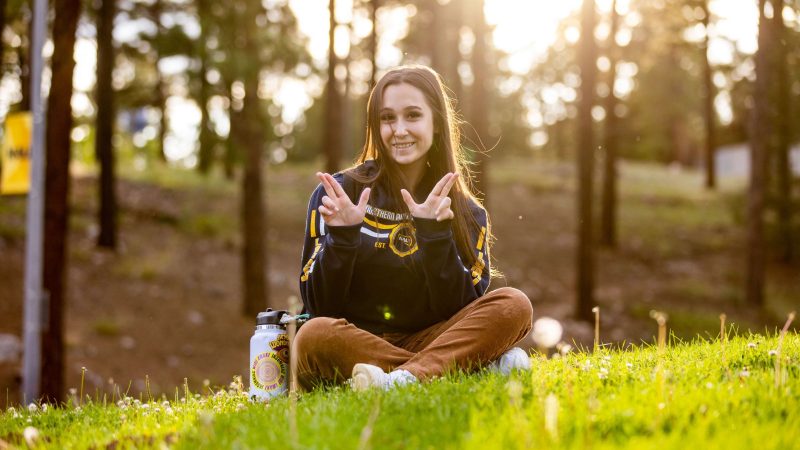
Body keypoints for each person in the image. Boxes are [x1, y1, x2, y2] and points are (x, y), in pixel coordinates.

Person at [294, 65, 532, 391]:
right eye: (388, 118)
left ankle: (401, 380)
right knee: (313, 335)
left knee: (514, 305)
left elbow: (460, 310)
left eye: (413, 115)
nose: (399, 129)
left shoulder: (466, 212)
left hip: (432, 339)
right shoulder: (337, 195)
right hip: (354, 344)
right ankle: (461, 370)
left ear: (436, 123)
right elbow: (319, 307)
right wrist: (343, 237)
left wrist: (434, 235)